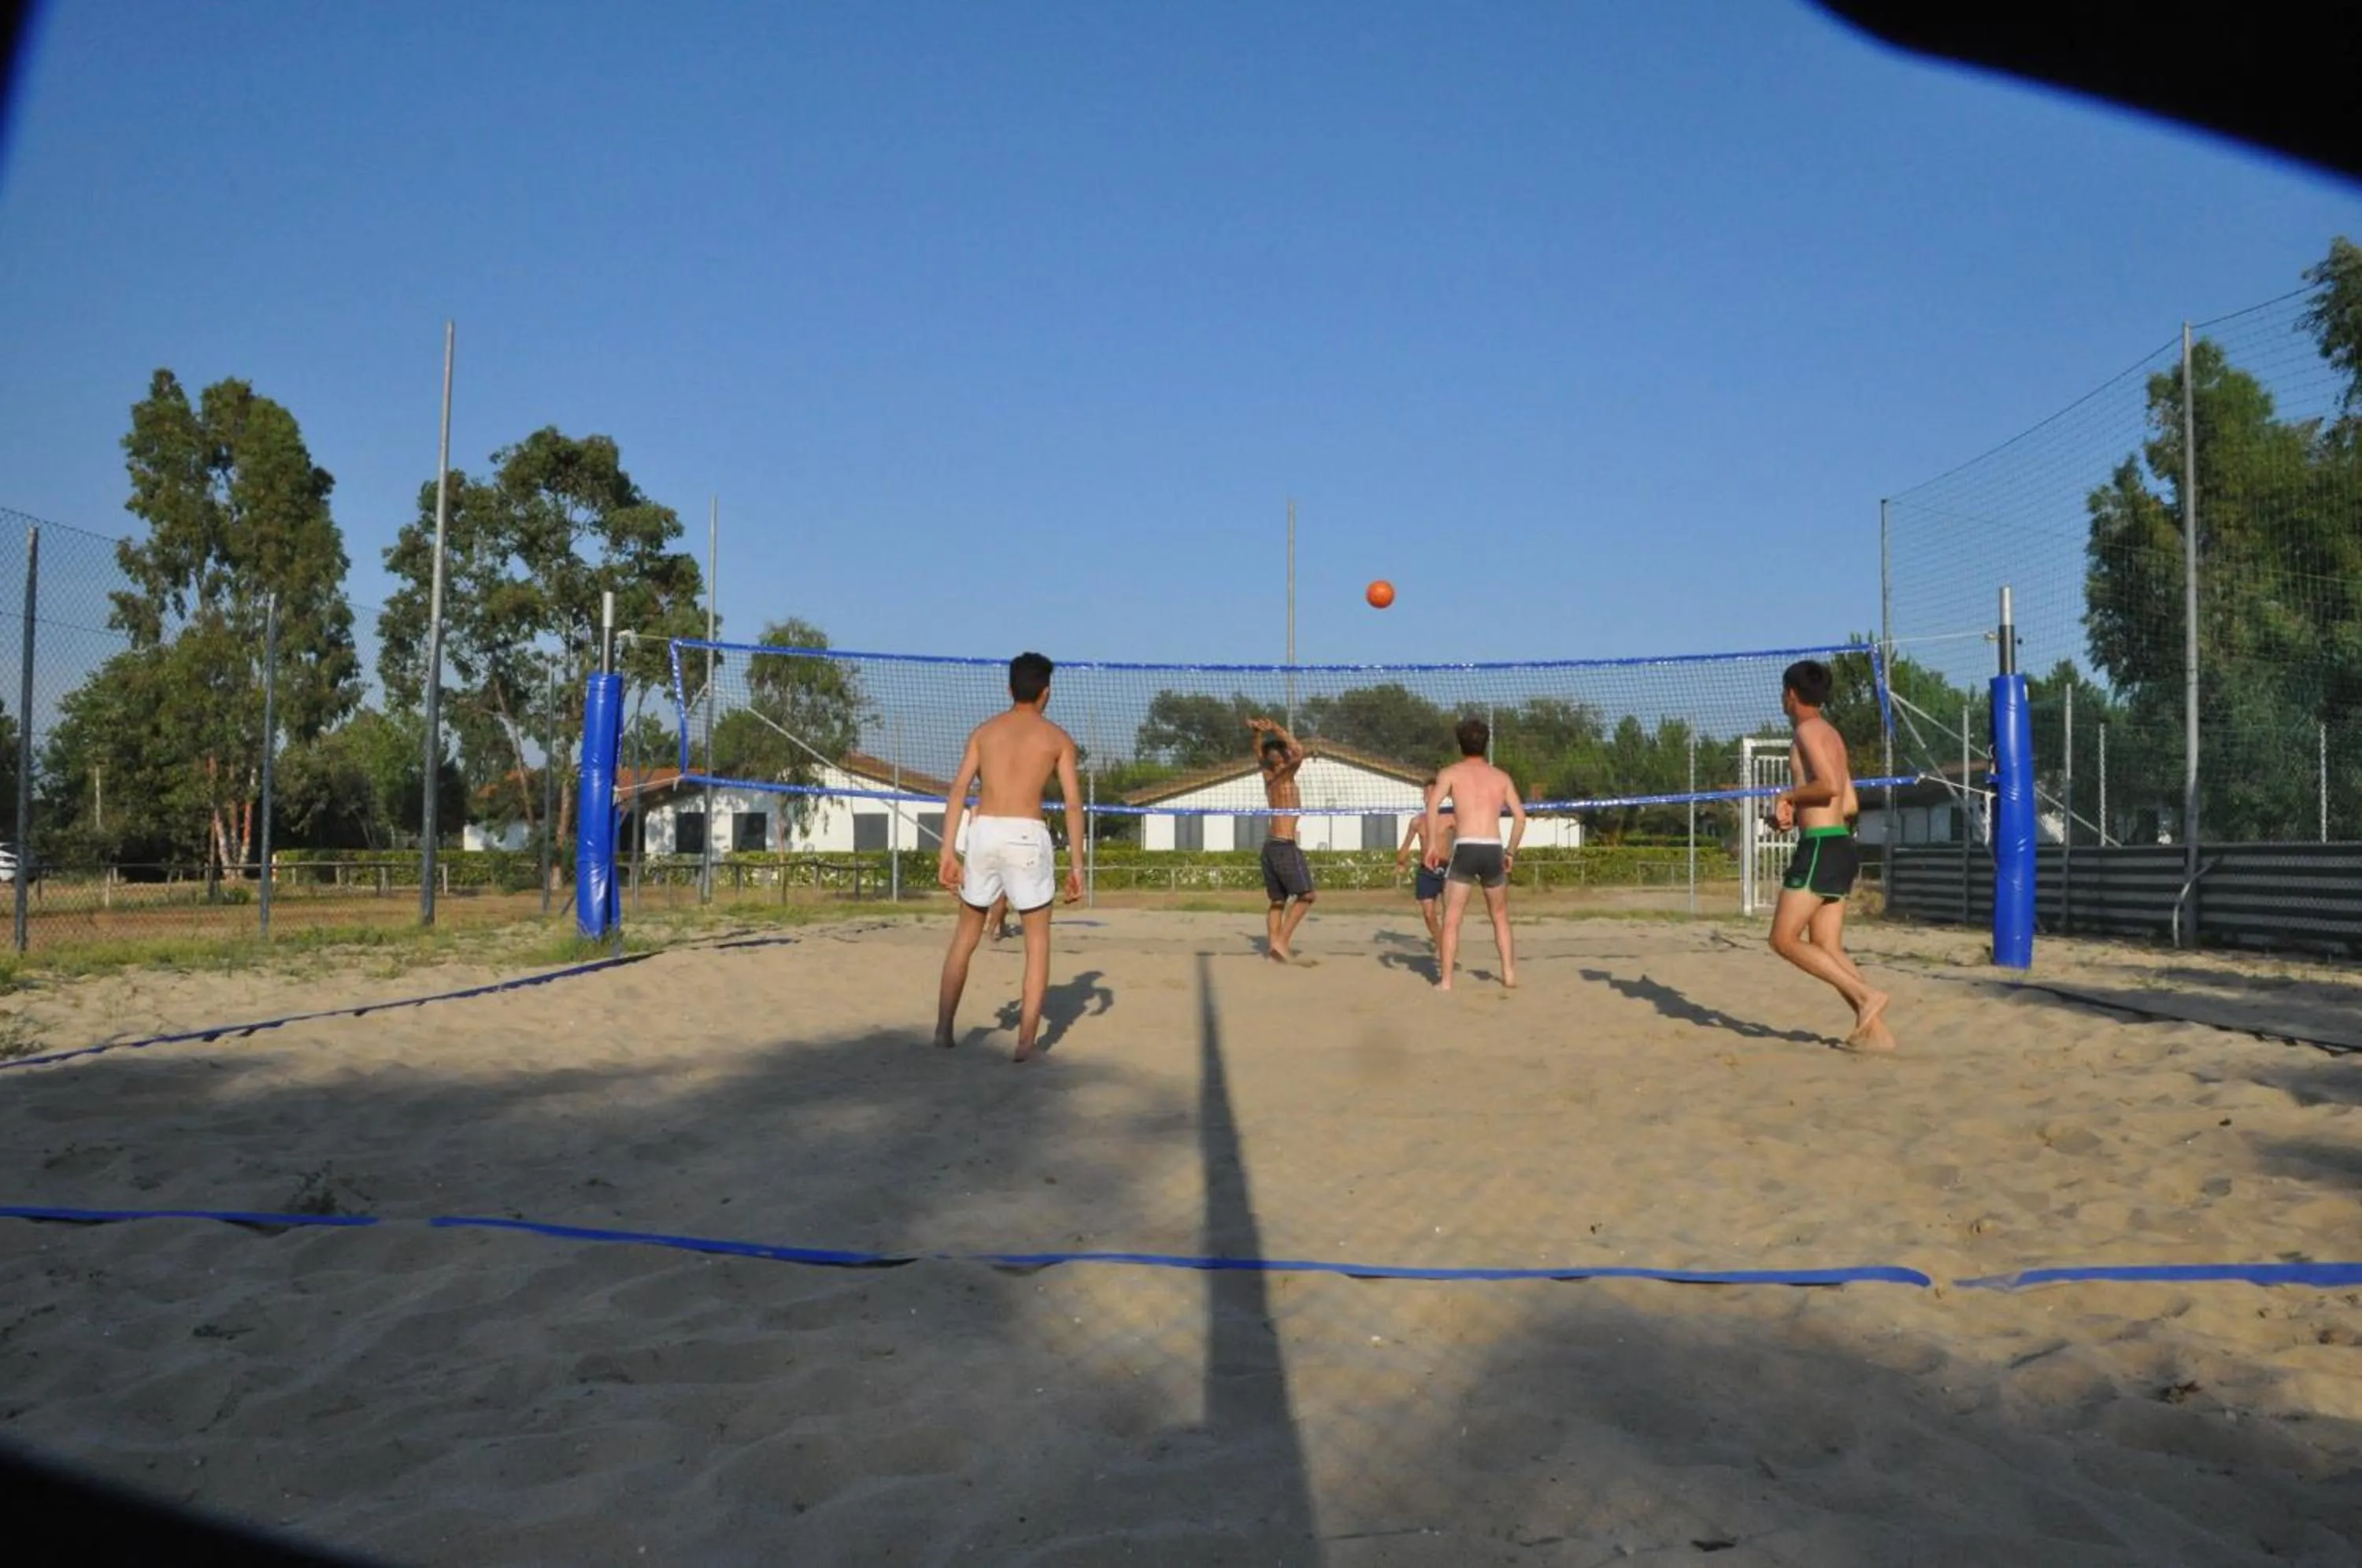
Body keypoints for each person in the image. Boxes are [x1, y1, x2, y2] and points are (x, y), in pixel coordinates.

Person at [935, 652, 1086, 1062]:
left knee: (965, 937)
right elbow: (1073, 805)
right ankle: (1025, 1044)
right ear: (1046, 692)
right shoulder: (1057, 739)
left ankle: (944, 1032)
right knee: (1037, 942)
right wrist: (1077, 865)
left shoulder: (984, 733)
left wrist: (948, 851)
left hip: (983, 832)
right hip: (1026, 834)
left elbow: (957, 790)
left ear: (1009, 689)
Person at [1765, 658, 1896, 1052]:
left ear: (1791, 694)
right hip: (1839, 842)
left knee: (1782, 940)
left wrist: (1787, 796)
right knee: (1827, 945)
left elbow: (1826, 786)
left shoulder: (1806, 732)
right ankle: (1876, 1034)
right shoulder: (1832, 735)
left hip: (1821, 846)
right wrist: (1796, 813)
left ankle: (1866, 997)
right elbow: (1850, 801)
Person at [1423, 719, 1524, 992]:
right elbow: (1520, 817)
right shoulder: (1501, 777)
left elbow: (1432, 806)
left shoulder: (1450, 773)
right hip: (1492, 847)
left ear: (1459, 744)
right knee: (1500, 916)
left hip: (1467, 846)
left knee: (1453, 918)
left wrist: (1432, 844)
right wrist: (1511, 851)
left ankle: (1446, 981)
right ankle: (1509, 975)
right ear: (1487, 743)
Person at [1246, 716, 1316, 962]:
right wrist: (1275, 728)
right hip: (1284, 845)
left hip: (1269, 847)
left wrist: (1257, 733)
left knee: (1278, 900)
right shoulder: (1285, 776)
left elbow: (1258, 753)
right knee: (1307, 896)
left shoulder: (1268, 778)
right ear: (1283, 758)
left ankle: (1273, 946)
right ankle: (1281, 941)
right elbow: (1299, 750)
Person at [1398, 776, 1449, 946]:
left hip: (1447, 869)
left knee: (1450, 915)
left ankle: (1448, 946)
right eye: (1426, 793)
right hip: (1427, 870)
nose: (1429, 796)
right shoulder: (1417, 821)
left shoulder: (1450, 818)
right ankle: (1442, 944)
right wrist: (1401, 862)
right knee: (1428, 915)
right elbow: (1406, 844)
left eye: (1433, 792)